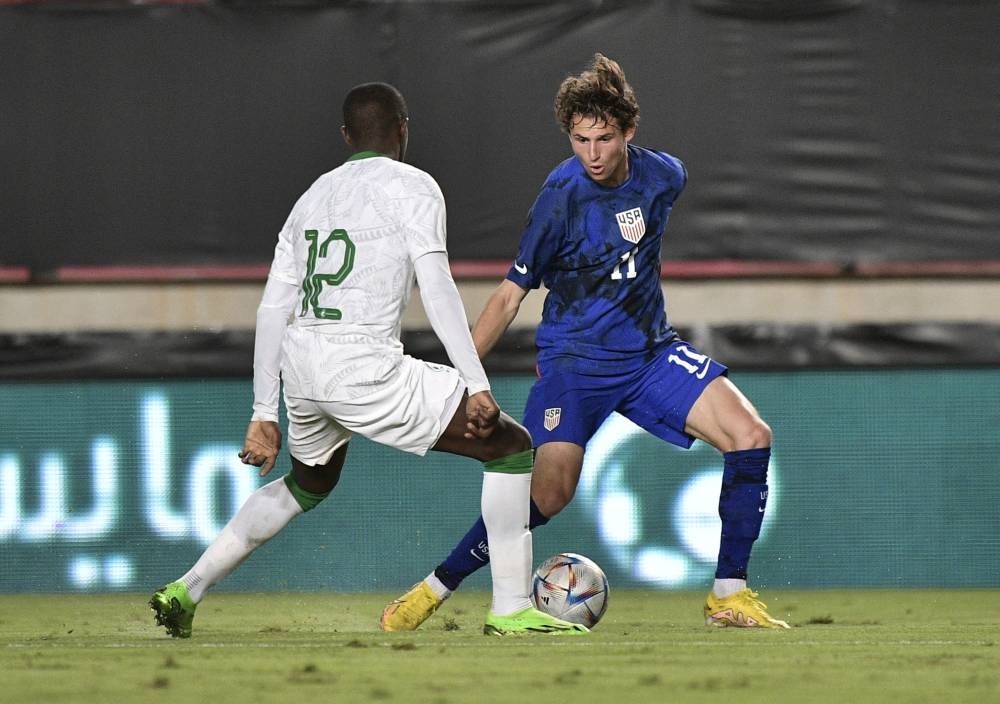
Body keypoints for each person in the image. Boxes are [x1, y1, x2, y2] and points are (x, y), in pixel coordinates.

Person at [149, 82, 587, 638]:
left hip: (302, 368)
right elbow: (438, 287)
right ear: (404, 130)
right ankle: (509, 607)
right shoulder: (414, 187)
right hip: (362, 365)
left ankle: (186, 590)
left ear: (344, 136)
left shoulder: (311, 196)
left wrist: (265, 411)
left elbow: (271, 309)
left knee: (310, 483)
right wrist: (474, 382)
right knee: (510, 446)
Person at [380, 54, 790, 631]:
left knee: (751, 436)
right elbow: (507, 297)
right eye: (579, 139)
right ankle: (436, 585)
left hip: (650, 355)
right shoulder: (559, 198)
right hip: (574, 365)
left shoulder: (664, 176)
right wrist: (463, 376)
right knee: (550, 493)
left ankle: (728, 593)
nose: (591, 154)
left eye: (603, 138)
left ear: (628, 132)